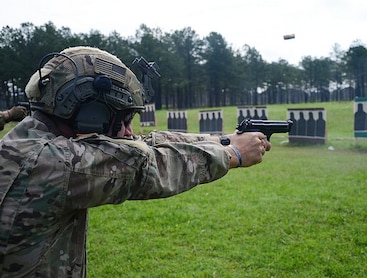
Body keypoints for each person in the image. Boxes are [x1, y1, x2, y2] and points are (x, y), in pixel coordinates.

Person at [0, 46, 271, 277]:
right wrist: (232, 154)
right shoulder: (55, 164)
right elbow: (146, 164)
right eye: (125, 120)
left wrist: (221, 139)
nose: (129, 131)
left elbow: (140, 142)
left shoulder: (33, 138)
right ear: (92, 116)